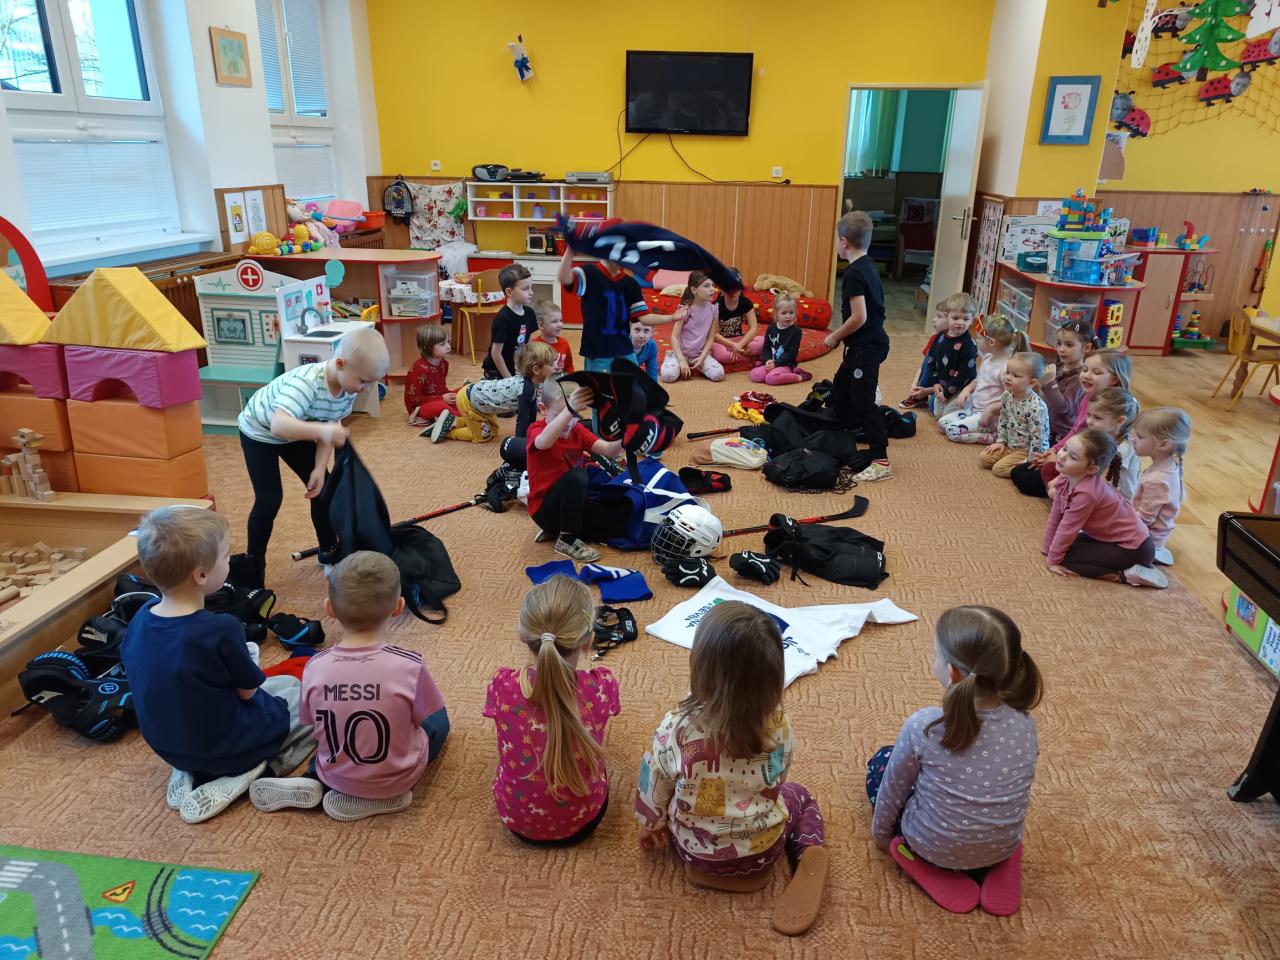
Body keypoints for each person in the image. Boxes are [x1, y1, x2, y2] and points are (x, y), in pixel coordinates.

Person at [634, 601, 830, 936]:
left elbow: (652, 783)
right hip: (763, 853)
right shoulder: (779, 726)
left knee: (675, 786)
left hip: (693, 853)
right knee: (800, 795)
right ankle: (808, 847)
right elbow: (778, 778)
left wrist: (650, 824)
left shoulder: (675, 728)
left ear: (699, 667)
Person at [121, 507, 315, 824]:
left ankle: (187, 769)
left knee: (278, 687)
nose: (229, 561)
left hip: (167, 745)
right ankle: (257, 770)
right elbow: (247, 692)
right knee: (309, 701)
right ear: (201, 575)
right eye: (225, 556)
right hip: (228, 749)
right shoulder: (221, 628)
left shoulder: (141, 617)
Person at [249, 552, 449, 821]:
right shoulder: (410, 664)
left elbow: (311, 722)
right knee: (438, 718)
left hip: (334, 774)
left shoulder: (314, 666)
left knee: (332, 729)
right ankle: (387, 793)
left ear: (329, 608)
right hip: (395, 780)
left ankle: (314, 778)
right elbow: (422, 715)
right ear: (398, 607)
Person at [867, 606, 1042, 916]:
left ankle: (920, 860)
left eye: (936, 654)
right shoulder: (1024, 722)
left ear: (952, 673)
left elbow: (893, 789)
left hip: (931, 846)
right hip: (1002, 844)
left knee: (882, 762)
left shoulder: (925, 726)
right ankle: (1001, 859)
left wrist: (882, 836)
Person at [237, 326, 388, 586]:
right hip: (259, 433)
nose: (366, 389)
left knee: (323, 489)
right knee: (269, 499)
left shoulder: (347, 389)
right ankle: (254, 568)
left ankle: (328, 548)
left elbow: (329, 425)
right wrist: (324, 431)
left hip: (298, 431)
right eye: (364, 381)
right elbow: (279, 425)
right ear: (340, 364)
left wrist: (319, 468)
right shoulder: (306, 383)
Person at [483, 576, 620, 844]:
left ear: (522, 636)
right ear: (588, 641)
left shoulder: (501, 684)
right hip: (584, 821)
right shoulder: (602, 685)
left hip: (516, 820)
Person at [1042, 428, 1167, 587]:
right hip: (1116, 541)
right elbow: (1056, 515)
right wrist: (1047, 548)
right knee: (1062, 547)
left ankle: (1126, 575)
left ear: (1091, 469)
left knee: (1065, 558)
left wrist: (1053, 561)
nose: (1062, 456)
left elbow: (1068, 528)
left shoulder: (1087, 493)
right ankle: (1125, 564)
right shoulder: (1065, 478)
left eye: (1073, 457)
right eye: (1065, 449)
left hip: (1135, 548)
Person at [527, 379, 628, 563]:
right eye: (561, 414)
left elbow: (608, 450)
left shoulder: (577, 430)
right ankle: (566, 539)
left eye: (574, 415)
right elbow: (543, 442)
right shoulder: (536, 430)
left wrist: (625, 435)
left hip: (572, 505)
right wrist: (569, 410)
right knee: (578, 476)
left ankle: (560, 530)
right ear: (543, 409)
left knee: (617, 523)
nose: (568, 421)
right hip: (544, 510)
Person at [1010, 349, 1132, 498]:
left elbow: (1092, 460)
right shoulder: (1088, 397)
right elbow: (1075, 431)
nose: (1087, 375)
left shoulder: (1111, 412)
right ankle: (1061, 489)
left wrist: (1059, 459)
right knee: (1018, 472)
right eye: (1085, 370)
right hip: (1073, 453)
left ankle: (1065, 494)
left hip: (1084, 463)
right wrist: (1054, 451)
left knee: (1024, 480)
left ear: (1113, 379)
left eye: (1096, 372)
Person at [826, 211, 891, 482]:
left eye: (836, 241)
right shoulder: (869, 264)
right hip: (862, 345)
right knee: (841, 389)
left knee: (863, 401)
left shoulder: (854, 273)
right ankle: (841, 437)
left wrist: (835, 336)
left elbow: (859, 317)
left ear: (844, 241)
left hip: (867, 346)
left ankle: (881, 459)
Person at [557, 247, 659, 373]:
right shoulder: (590, 273)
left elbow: (644, 317)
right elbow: (564, 278)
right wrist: (570, 251)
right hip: (598, 349)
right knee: (599, 384)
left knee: (632, 381)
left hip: (623, 347)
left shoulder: (631, 284)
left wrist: (672, 317)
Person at [937, 315, 1027, 445]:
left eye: (979, 338)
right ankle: (982, 430)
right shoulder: (988, 357)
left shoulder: (1006, 368)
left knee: (953, 431)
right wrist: (967, 390)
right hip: (974, 411)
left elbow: (1013, 398)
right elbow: (979, 379)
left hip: (991, 418)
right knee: (942, 423)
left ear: (991, 342)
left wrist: (990, 410)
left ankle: (996, 436)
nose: (976, 340)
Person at [453, 341, 557, 444]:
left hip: (479, 401)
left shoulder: (531, 385)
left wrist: (532, 432)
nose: (556, 366)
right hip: (469, 400)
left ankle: (456, 421)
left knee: (493, 430)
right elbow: (522, 420)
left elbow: (531, 412)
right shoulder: (525, 390)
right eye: (552, 364)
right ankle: (450, 431)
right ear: (536, 370)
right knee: (483, 435)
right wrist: (519, 443)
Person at [1131, 407, 1191, 567]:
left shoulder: (1157, 481)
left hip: (1145, 542)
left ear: (1164, 444)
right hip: (1147, 537)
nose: (1133, 440)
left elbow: (1144, 520)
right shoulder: (1167, 468)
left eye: (1140, 437)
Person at [900, 293, 978, 414]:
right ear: (947, 317)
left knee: (944, 416)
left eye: (966, 319)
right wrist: (935, 383)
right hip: (941, 386)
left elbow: (964, 374)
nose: (960, 323)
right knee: (935, 411)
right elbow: (932, 362)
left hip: (959, 389)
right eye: (955, 318)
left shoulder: (969, 346)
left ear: (972, 320)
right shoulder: (939, 337)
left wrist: (946, 394)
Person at [980, 352, 1050, 479]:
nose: (1008, 377)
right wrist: (1001, 441)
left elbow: (1039, 438)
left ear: (1031, 382)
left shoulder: (1036, 407)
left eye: (1015, 375)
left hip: (1027, 450)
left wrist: (1030, 460)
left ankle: (1031, 470)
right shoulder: (1007, 395)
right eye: (1007, 372)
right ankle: (1011, 461)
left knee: (998, 469)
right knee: (984, 458)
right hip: (1010, 445)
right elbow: (1003, 419)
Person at [660, 271, 724, 383]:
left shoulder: (714, 310)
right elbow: (674, 337)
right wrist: (681, 360)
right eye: (706, 286)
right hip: (680, 354)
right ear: (694, 290)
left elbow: (710, 337)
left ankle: (696, 364)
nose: (712, 289)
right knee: (668, 376)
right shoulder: (685, 309)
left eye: (713, 285)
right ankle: (672, 358)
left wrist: (703, 357)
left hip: (699, 354)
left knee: (718, 375)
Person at [1079, 387, 1140, 500]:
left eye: (1097, 418)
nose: (1089, 421)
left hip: (1118, 500)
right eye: (1088, 415)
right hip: (1101, 490)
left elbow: (1105, 481)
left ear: (1120, 421)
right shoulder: (1101, 436)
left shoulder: (1123, 449)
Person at [1040, 319, 1095, 443]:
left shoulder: (1081, 377)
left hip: (1061, 435)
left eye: (1069, 345)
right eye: (1059, 343)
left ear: (1086, 348)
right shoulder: (1060, 367)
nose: (1061, 349)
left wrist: (1049, 383)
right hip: (1046, 427)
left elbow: (1063, 407)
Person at [404, 324, 461, 441]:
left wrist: (450, 395)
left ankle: (449, 419)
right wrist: (441, 399)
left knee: (465, 391)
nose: (448, 346)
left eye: (448, 342)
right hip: (420, 408)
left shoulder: (444, 364)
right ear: (427, 347)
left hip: (439, 399)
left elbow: (441, 388)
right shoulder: (419, 369)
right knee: (442, 406)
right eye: (442, 344)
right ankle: (462, 419)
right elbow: (413, 399)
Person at [482, 264, 536, 380]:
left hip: (516, 370)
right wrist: (510, 380)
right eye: (526, 288)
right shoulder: (503, 319)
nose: (531, 292)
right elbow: (496, 354)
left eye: (531, 287)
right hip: (496, 373)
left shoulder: (530, 313)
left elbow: (528, 345)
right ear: (509, 292)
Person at [750, 292, 811, 385]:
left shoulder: (796, 331)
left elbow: (791, 353)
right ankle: (767, 367)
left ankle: (800, 376)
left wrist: (776, 364)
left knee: (771, 379)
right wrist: (768, 360)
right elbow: (766, 347)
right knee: (755, 375)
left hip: (786, 364)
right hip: (772, 362)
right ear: (776, 313)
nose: (788, 316)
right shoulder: (771, 328)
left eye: (791, 312)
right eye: (784, 313)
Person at [710, 274, 761, 366]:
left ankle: (738, 354)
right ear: (722, 290)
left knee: (761, 342)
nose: (732, 291)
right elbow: (715, 334)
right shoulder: (715, 306)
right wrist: (732, 345)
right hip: (722, 342)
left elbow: (754, 328)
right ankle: (749, 358)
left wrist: (739, 345)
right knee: (721, 355)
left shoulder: (746, 303)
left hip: (739, 340)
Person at [531, 299, 575, 374]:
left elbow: (569, 367)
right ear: (541, 325)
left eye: (561, 320)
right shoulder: (533, 346)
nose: (560, 325)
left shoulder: (564, 343)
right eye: (554, 321)